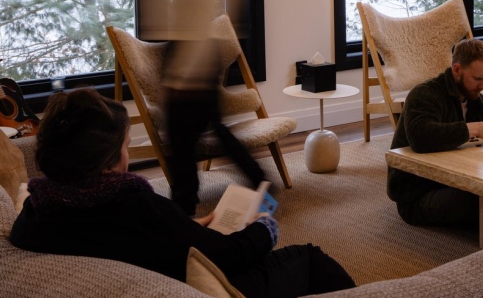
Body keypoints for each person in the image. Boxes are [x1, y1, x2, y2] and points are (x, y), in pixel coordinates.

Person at [10, 88, 355, 297]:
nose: (128, 157)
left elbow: (136, 238)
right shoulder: (130, 201)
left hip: (161, 267)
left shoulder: (37, 211)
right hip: (201, 284)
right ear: (105, 162)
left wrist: (189, 226)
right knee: (311, 258)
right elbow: (225, 256)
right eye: (126, 146)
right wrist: (264, 229)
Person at [140, 0, 263, 215]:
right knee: (207, 135)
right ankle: (259, 184)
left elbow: (192, 23)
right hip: (190, 60)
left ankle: (186, 208)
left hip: (192, 63)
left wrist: (182, 76)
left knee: (183, 145)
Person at [386, 38, 483, 228]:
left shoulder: (478, 101)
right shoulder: (423, 94)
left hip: (458, 182)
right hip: (418, 194)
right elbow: (420, 138)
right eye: (478, 79)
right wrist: (474, 128)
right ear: (457, 69)